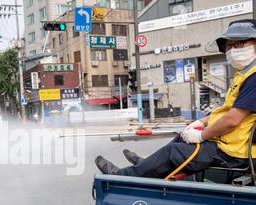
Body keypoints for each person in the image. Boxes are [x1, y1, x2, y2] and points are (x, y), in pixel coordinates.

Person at [95, 19, 256, 178]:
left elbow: (232, 119)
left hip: (230, 152)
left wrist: (202, 135)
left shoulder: (253, 76)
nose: (232, 50)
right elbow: (227, 110)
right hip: (224, 143)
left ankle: (123, 175)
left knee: (173, 152)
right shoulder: (243, 75)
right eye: (229, 46)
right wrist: (201, 122)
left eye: (239, 44)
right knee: (183, 135)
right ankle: (145, 164)